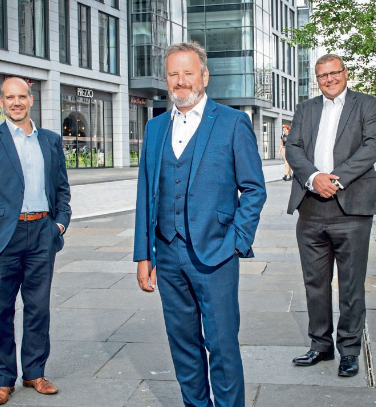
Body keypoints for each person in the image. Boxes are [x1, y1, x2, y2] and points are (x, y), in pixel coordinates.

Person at [133, 42, 266, 407]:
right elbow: (147, 193)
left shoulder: (232, 122)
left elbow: (254, 189)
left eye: (188, 73)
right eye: (173, 74)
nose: (180, 81)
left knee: (222, 345)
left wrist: (237, 240)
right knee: (183, 345)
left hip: (217, 253)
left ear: (204, 76)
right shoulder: (156, 128)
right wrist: (144, 255)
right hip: (168, 254)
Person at [0, 77, 71, 405]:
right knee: (0, 309)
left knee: (38, 309)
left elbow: (62, 189)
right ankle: (2, 380)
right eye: (9, 97)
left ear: (31, 99)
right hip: (2, 238)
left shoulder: (50, 141)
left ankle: (34, 373)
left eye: (21, 96)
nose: (16, 102)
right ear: (1, 101)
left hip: (42, 234)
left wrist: (59, 225)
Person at [285, 54, 376, 377]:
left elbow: (371, 148)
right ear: (317, 80)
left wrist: (335, 178)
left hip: (352, 206)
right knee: (315, 282)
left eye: (334, 73)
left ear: (345, 73)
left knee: (352, 284)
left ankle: (350, 351)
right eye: (322, 75)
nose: (329, 79)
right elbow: (293, 149)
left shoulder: (366, 104)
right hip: (311, 207)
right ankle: (320, 345)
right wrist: (315, 178)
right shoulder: (305, 109)